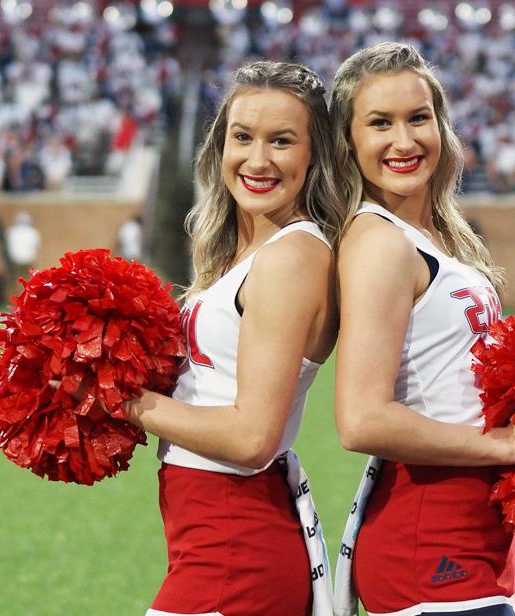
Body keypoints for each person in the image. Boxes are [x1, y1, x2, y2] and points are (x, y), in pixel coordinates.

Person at [328, 43, 515, 616]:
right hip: (427, 545)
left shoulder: (437, 234)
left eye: (418, 118)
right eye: (380, 124)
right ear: (348, 142)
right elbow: (361, 419)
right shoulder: (379, 243)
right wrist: (503, 444)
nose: (404, 141)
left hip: (471, 540)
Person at [118, 61, 346, 616]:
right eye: (242, 137)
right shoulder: (247, 253)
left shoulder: (291, 257)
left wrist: (122, 401)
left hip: (235, 549)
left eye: (282, 141)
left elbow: (251, 438)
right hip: (215, 543)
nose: (258, 159)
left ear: (314, 155)